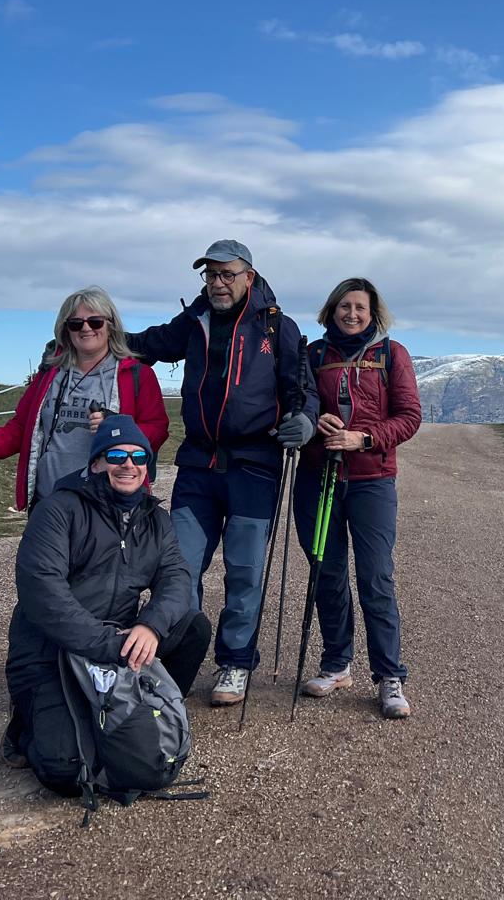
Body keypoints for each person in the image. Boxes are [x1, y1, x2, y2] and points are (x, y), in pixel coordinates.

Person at [126, 239, 317, 707]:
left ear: (248, 277)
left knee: (245, 572)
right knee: (180, 566)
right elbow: (149, 345)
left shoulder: (276, 326)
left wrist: (305, 420)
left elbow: (301, 388)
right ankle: (179, 659)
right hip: (198, 465)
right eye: (210, 274)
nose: (217, 283)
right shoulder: (194, 320)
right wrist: (92, 338)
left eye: (227, 274)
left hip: (255, 467)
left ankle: (236, 662)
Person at [3, 415, 210, 790]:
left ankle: (149, 706)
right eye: (116, 455)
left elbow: (177, 579)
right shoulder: (58, 510)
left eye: (138, 457)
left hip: (118, 640)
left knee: (192, 626)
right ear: (96, 463)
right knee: (66, 771)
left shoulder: (155, 519)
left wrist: (150, 626)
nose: (128, 464)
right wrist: (110, 645)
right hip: (53, 648)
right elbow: (42, 592)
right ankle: (27, 722)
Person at [295, 277, 422, 719]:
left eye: (360, 308)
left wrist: (364, 438)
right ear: (331, 310)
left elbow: (409, 416)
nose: (351, 314)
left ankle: (389, 676)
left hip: (372, 480)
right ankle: (336, 665)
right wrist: (314, 420)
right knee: (326, 574)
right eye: (344, 306)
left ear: (372, 314)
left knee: (375, 578)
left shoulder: (391, 354)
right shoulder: (313, 355)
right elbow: (295, 404)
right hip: (318, 477)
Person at [0, 287, 169, 513]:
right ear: (65, 330)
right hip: (49, 502)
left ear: (110, 325)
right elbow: (22, 427)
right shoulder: (49, 375)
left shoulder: (137, 374)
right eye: (75, 323)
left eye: (95, 322)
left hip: (109, 508)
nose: (86, 328)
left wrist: (117, 427)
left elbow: (157, 430)